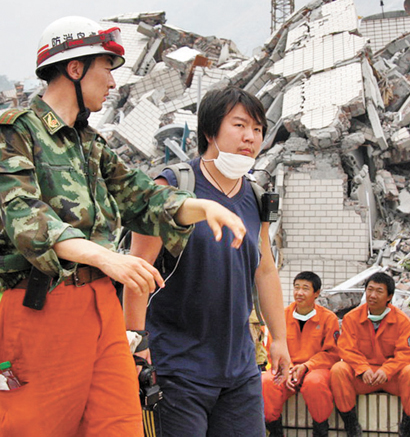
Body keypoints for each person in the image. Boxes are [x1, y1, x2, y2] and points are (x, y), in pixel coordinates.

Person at [0, 16, 246, 437]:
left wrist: (202, 207)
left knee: (119, 427)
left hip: (101, 307)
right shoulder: (16, 132)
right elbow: (25, 218)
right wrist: (107, 257)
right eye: (106, 67)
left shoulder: (90, 145)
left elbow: (143, 196)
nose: (112, 81)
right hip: (41, 311)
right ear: (74, 68)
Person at [124, 85, 290, 437]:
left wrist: (279, 339)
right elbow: (137, 268)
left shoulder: (256, 195)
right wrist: (137, 346)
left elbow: (264, 269)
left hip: (239, 369)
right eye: (240, 125)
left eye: (258, 130)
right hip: (177, 367)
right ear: (210, 131)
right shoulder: (172, 185)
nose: (250, 137)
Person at [330, 272, 410, 437]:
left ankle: (408, 429)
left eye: (379, 291)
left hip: (392, 378)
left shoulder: (403, 321)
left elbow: (406, 354)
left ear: (389, 296)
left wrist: (386, 371)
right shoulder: (351, 318)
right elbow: (346, 349)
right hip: (363, 377)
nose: (372, 295)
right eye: (370, 290)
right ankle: (351, 426)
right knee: (338, 369)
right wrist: (363, 368)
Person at [263, 271, 340, 437]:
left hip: (315, 369)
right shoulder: (281, 316)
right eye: (296, 287)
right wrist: (289, 369)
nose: (299, 292)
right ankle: (274, 430)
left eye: (305, 288)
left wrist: (306, 366)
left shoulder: (328, 319)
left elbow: (332, 353)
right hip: (287, 369)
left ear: (316, 293)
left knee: (315, 383)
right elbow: (273, 347)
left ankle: (320, 429)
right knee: (266, 382)